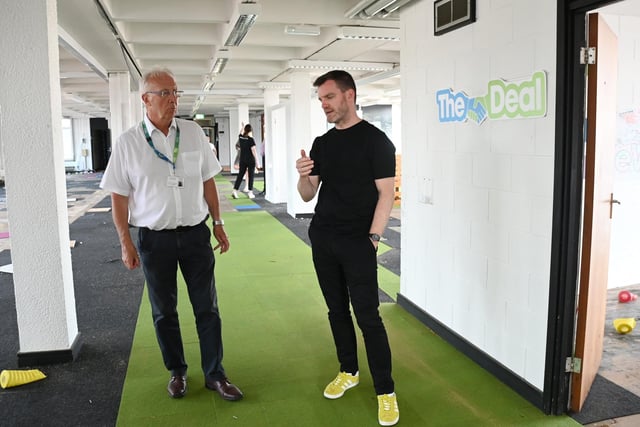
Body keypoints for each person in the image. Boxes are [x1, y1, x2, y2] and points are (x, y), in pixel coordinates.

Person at [100, 67, 243, 403]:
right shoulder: (128, 143)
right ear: (145, 99)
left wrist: (218, 223)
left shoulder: (192, 133)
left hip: (195, 235)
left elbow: (208, 179)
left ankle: (215, 374)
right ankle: (177, 371)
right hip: (154, 239)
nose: (173, 99)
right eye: (164, 93)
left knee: (207, 307)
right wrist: (125, 242)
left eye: (175, 92)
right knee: (164, 310)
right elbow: (118, 198)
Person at [295, 70, 399, 426]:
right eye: (321, 99)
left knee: (368, 317)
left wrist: (373, 239)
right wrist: (303, 173)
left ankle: (385, 391)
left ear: (349, 95)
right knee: (336, 311)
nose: (324, 104)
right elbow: (308, 194)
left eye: (329, 97)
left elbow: (386, 194)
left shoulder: (376, 141)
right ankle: (348, 371)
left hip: (359, 241)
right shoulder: (323, 143)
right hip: (323, 237)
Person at [232, 124, 259, 199]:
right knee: (251, 176)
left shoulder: (241, 138)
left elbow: (240, 133)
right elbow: (254, 151)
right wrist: (257, 161)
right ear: (250, 131)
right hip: (250, 160)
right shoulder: (251, 139)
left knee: (240, 175)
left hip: (242, 160)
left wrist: (242, 127)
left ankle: (235, 190)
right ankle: (250, 192)